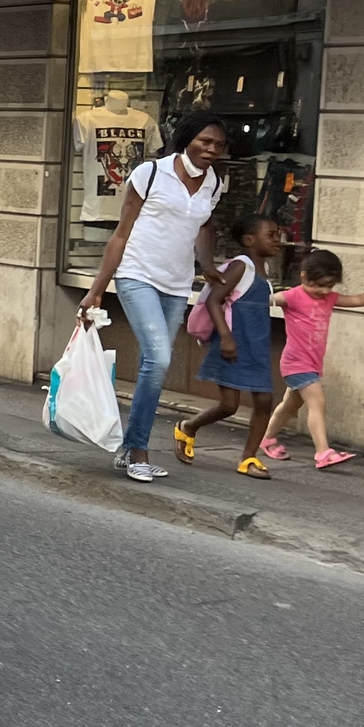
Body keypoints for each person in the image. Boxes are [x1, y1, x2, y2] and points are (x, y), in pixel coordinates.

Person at [78, 112, 228, 483]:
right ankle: (137, 450)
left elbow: (205, 223)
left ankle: (129, 447)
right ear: (187, 140)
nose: (211, 150)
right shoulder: (150, 173)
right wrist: (96, 290)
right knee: (159, 359)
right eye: (205, 141)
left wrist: (206, 265)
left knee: (154, 362)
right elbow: (120, 233)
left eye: (218, 145)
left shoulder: (214, 183)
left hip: (177, 284)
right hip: (136, 274)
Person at [173, 214, 286, 478]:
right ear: (249, 240)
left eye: (278, 234)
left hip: (256, 345)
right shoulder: (241, 266)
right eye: (270, 235)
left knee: (264, 400)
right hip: (233, 345)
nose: (277, 240)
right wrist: (225, 337)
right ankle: (188, 427)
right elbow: (214, 300)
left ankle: (248, 458)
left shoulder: (264, 271)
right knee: (229, 405)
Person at [263, 249, 364, 468]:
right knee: (317, 402)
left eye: (330, 286)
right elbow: (265, 300)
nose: (324, 291)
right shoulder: (293, 295)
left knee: (289, 406)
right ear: (304, 276)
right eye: (319, 285)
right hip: (296, 363)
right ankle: (323, 453)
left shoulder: (329, 298)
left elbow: (358, 299)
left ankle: (267, 439)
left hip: (313, 364)